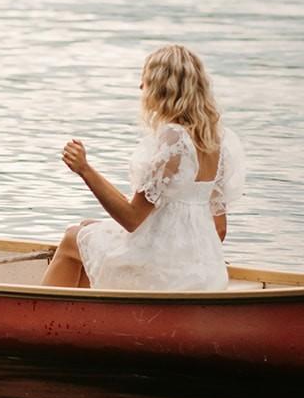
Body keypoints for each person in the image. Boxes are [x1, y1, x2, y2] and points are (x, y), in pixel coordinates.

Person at [41, 44, 245, 290]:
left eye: (145, 80)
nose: (141, 87)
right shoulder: (216, 140)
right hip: (206, 270)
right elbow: (219, 229)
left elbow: (132, 218)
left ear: (162, 88)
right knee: (89, 230)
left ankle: (40, 316)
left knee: (73, 237)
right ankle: (84, 315)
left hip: (167, 270)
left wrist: (85, 170)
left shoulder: (175, 139)